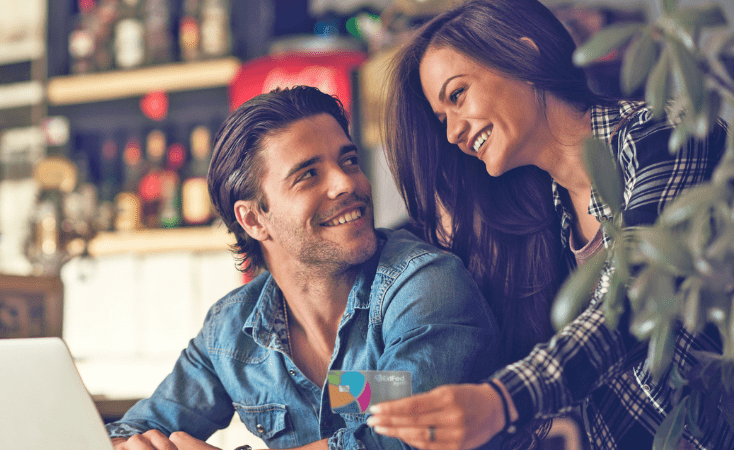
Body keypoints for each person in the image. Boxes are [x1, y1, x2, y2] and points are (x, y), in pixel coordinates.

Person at [366, 0, 732, 449]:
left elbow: (635, 301)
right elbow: (441, 372)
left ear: (525, 55)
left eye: (457, 95)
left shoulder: (667, 135)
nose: (452, 133)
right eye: (442, 120)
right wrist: (335, 390)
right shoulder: (541, 228)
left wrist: (503, 402)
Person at [107, 85, 500, 450]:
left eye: (349, 161)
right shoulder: (230, 332)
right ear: (253, 220)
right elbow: (132, 429)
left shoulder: (426, 285)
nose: (346, 183)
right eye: (308, 175)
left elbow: (403, 437)